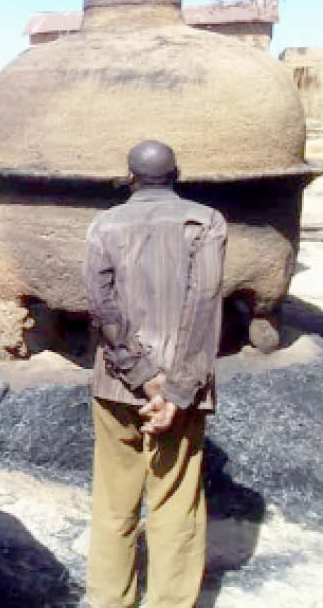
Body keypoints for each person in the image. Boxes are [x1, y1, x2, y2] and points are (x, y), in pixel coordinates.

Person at [81, 140, 227, 608]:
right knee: (175, 503)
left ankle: (110, 601)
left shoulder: (104, 224)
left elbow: (100, 307)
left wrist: (142, 376)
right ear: (177, 173)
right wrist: (176, 390)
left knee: (112, 503)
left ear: (130, 177)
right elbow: (203, 306)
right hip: (182, 390)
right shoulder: (205, 221)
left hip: (116, 385)